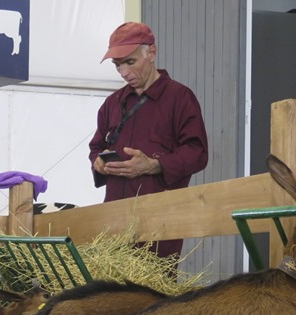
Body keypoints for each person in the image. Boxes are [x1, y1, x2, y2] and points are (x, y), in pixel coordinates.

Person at [88, 22, 209, 259]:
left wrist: (154, 165)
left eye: (130, 62)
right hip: (113, 224)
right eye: (117, 65)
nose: (124, 73)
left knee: (155, 282)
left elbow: (198, 152)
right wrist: (98, 162)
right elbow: (96, 147)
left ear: (151, 53)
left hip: (159, 225)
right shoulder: (112, 103)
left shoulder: (180, 98)